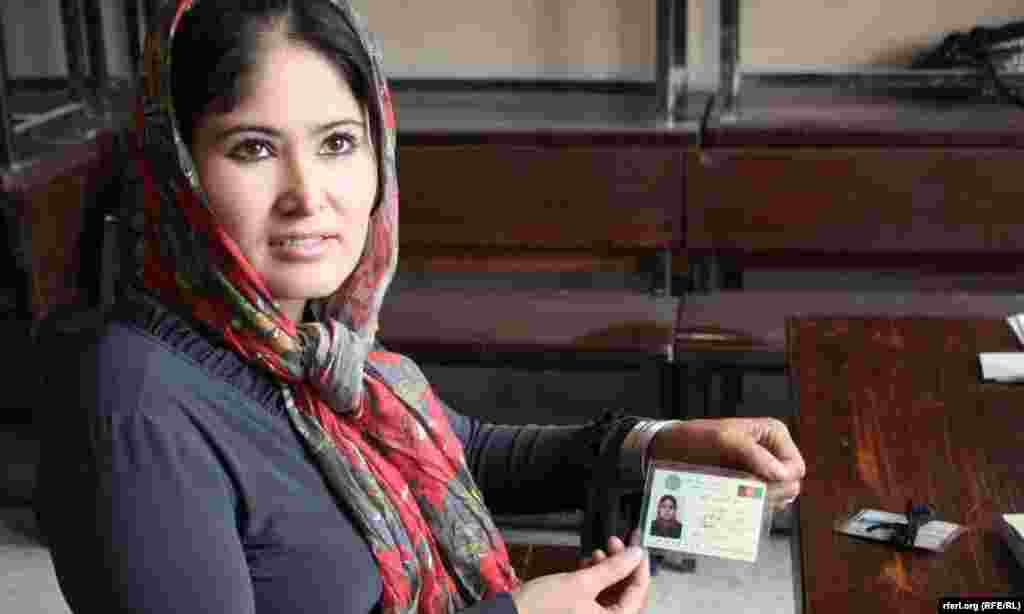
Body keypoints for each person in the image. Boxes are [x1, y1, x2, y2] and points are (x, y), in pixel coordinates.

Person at [34, 2, 806, 614]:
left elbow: (451, 451)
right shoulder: (134, 403)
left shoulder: (306, 342)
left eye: (338, 143)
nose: (308, 195)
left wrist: (660, 445)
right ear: (177, 173)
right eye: (253, 149)